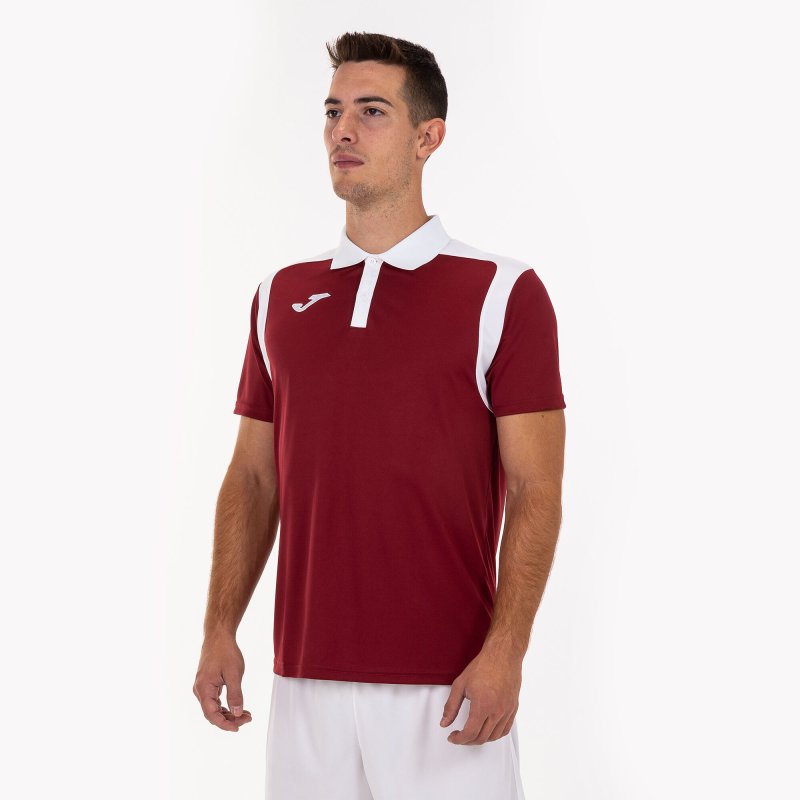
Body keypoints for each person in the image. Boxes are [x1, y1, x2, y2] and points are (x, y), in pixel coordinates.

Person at [193, 30, 566, 800]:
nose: (343, 130)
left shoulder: (502, 292)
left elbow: (537, 490)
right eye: (333, 112)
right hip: (304, 684)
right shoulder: (279, 296)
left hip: (449, 689)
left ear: (429, 137)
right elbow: (253, 478)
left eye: (372, 111)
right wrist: (218, 627)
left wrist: (507, 653)